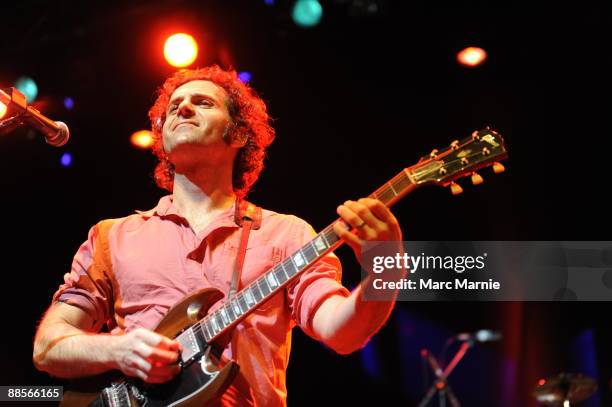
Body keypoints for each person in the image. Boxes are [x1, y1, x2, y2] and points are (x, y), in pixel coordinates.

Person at [33, 65, 405, 406]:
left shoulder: (287, 234)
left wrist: (385, 271)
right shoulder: (112, 236)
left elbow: (342, 333)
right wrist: (120, 351)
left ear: (239, 133)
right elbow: (49, 348)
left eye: (202, 102)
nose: (183, 109)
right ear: (161, 137)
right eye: (174, 106)